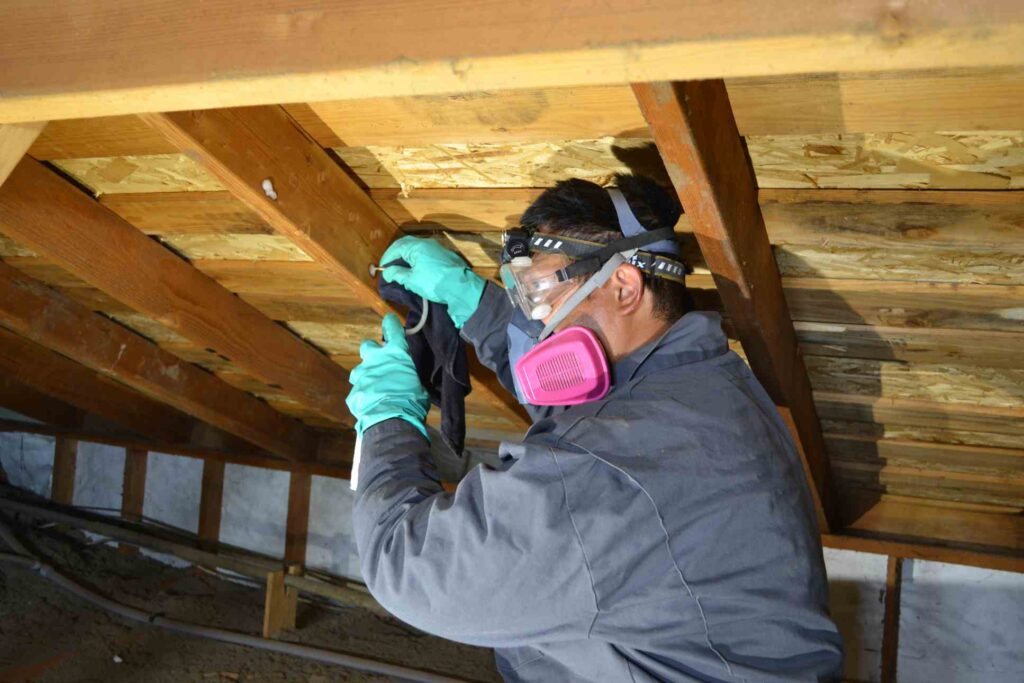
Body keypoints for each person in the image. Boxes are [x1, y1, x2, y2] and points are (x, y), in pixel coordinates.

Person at [345, 175, 844, 682]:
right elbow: (586, 416)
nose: (539, 324)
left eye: (541, 293)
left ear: (624, 285)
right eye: (526, 297)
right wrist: (476, 305)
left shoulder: (609, 471)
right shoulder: (704, 388)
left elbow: (407, 567)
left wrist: (386, 419)